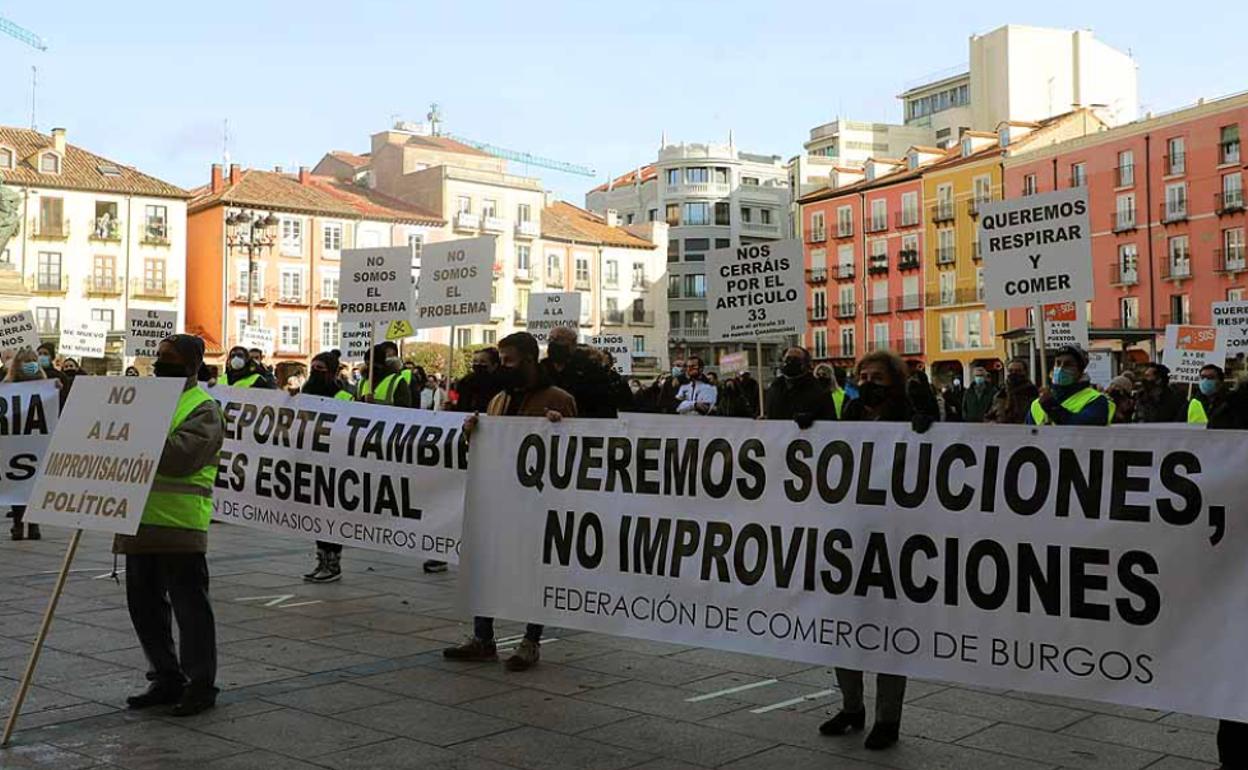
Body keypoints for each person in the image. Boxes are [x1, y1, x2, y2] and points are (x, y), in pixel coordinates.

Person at [444, 332, 576, 671]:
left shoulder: (559, 399)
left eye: (508, 360)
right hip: (497, 499)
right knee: (485, 566)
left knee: (533, 571)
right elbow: (484, 451)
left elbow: (576, 454)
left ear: (530, 360)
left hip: (536, 505)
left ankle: (531, 640)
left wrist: (560, 430)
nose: (502, 367)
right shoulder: (498, 400)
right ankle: (483, 638)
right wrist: (471, 433)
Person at [116, 334, 224, 717]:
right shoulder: (143, 400)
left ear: (192, 365)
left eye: (169, 357)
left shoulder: (203, 408)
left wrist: (135, 432)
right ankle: (165, 677)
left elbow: (180, 458)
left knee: (191, 610)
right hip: (137, 521)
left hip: (180, 525)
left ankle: (200, 684)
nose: (160, 362)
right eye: (158, 356)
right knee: (143, 607)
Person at [821, 350, 921, 750]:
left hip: (895, 538)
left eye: (876, 377)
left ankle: (887, 719)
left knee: (888, 632)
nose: (866, 383)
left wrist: (927, 432)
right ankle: (851, 707)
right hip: (850, 535)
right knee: (844, 627)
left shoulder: (913, 416)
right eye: (862, 376)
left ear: (894, 381)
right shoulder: (850, 415)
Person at [300, 350, 352, 584]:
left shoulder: (344, 397)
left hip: (336, 465)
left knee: (332, 514)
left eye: (320, 369)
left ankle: (333, 563)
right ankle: (321, 560)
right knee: (319, 515)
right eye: (313, 368)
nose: (315, 372)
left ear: (331, 372)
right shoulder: (305, 393)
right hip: (313, 461)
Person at [5, 348, 48, 541]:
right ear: (17, 364)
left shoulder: (45, 385)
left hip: (37, 442)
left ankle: (34, 524)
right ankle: (18, 523)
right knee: (17, 483)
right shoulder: (7, 386)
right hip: (15, 442)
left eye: (33, 360)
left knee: (34, 485)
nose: (30, 364)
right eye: (26, 361)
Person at [541, 326, 621, 418]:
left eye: (559, 339)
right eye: (550, 339)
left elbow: (605, 405)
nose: (553, 343)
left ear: (573, 344)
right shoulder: (543, 368)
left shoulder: (590, 370)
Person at [1025, 345, 1111, 426]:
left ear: (1080, 371)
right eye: (1058, 363)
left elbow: (1085, 430)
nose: (1061, 368)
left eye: (1068, 364)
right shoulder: (1037, 404)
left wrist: (1052, 408)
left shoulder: (1095, 400)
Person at [764, 347, 837, 425]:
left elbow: (830, 422)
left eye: (796, 360)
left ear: (806, 364)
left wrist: (812, 418)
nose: (790, 363)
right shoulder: (774, 388)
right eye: (788, 359)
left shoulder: (819, 391)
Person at [357, 342, 412, 407]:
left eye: (372, 364)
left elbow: (405, 410)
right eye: (367, 364)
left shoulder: (396, 381)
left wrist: (375, 402)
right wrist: (363, 400)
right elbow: (354, 405)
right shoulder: (362, 382)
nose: (369, 368)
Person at [985, 358, 1037, 424]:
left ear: (1025, 372)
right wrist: (991, 422)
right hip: (1001, 431)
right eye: (1010, 371)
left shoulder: (1032, 392)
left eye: (1018, 371)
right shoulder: (1000, 393)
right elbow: (989, 415)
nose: (1013, 373)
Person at [452, 347, 504, 414]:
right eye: (475, 361)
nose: (478, 364)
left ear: (494, 365)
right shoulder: (466, 382)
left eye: (483, 362)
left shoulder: (499, 385)